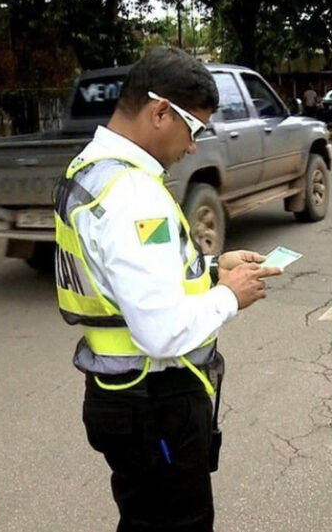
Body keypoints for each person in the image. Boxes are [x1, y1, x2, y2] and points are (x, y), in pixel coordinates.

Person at [53, 46, 282, 532]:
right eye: (193, 129)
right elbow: (161, 331)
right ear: (160, 111)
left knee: (143, 521)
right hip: (155, 401)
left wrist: (213, 267)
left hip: (122, 397)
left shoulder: (90, 171)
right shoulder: (134, 195)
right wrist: (229, 295)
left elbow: (130, 273)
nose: (194, 146)